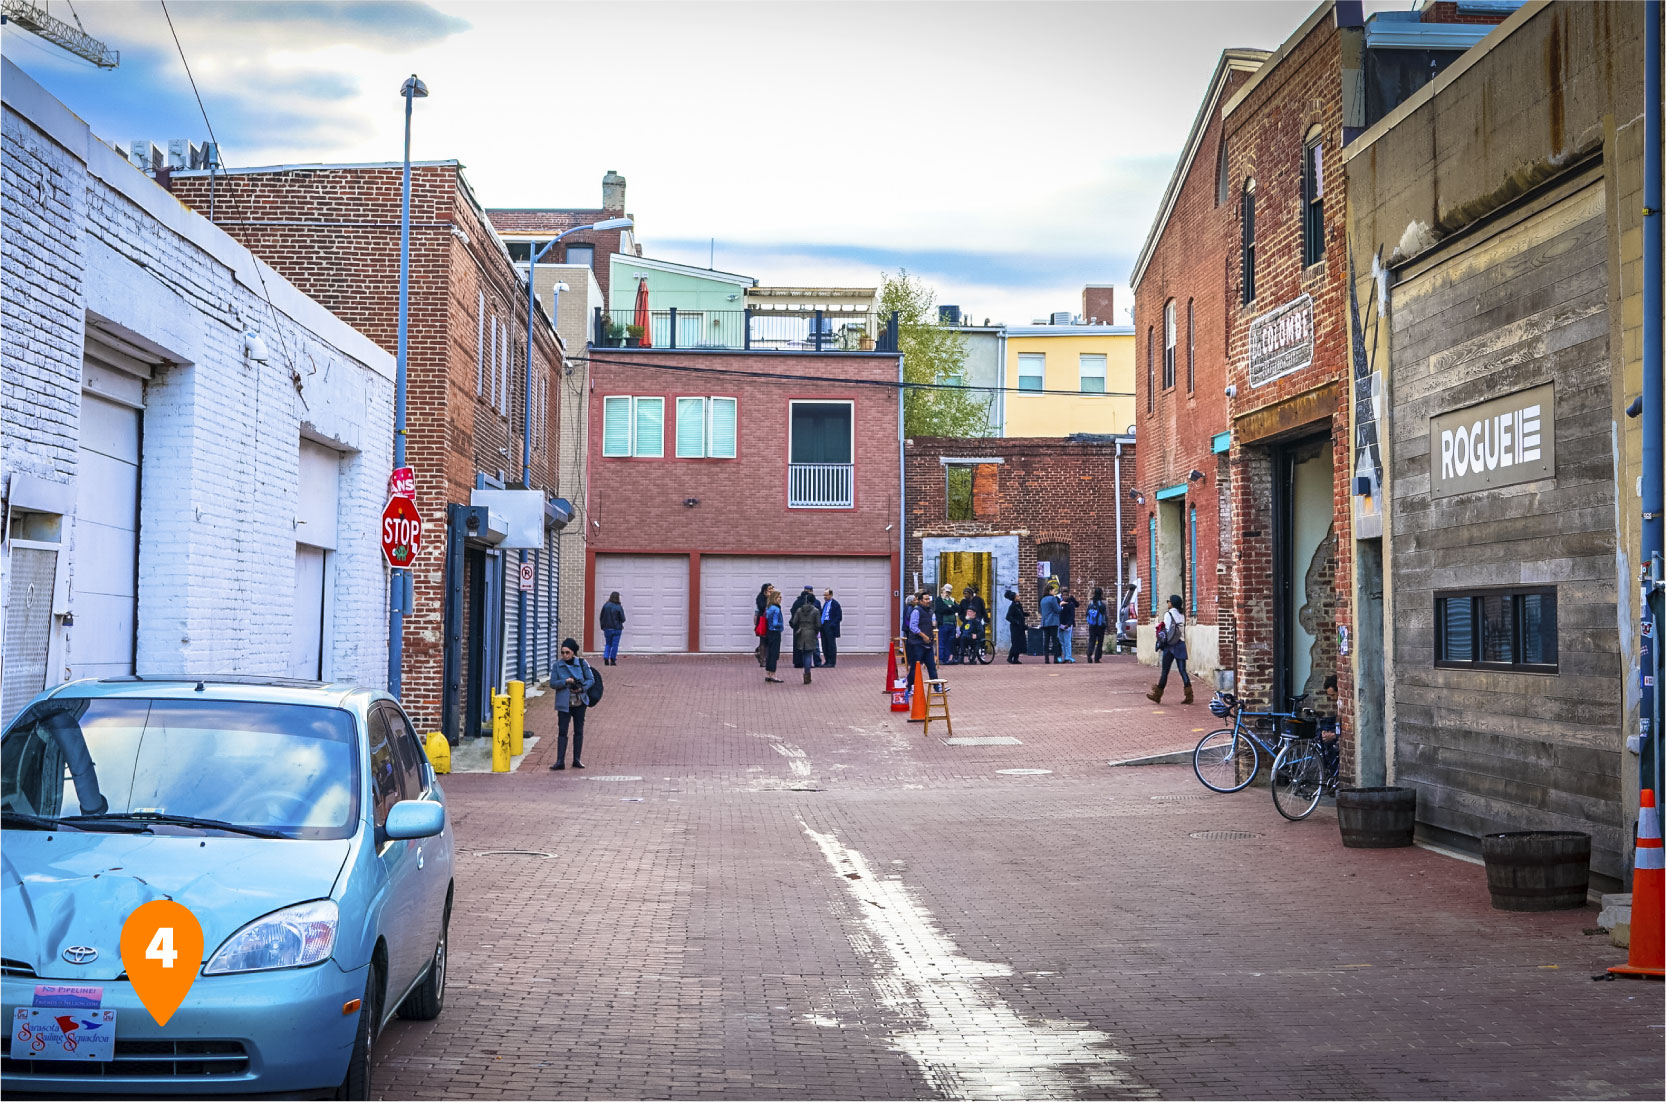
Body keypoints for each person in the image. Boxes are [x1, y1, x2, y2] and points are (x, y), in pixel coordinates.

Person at [548, 638, 595, 770]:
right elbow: (552, 683)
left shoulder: (582, 663)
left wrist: (581, 688)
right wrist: (565, 681)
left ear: (573, 652)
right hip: (564, 704)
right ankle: (560, 761)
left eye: (567, 652)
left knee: (578, 730)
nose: (564, 655)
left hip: (580, 702)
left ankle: (577, 759)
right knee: (562, 731)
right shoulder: (557, 666)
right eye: (562, 652)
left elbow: (591, 679)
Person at [1147, 593, 1194, 704]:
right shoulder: (1182, 615)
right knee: (1183, 671)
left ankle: (1157, 695)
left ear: (1172, 603)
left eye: (1169, 601)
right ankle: (1189, 695)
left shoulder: (1168, 615)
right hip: (1180, 644)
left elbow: (1167, 631)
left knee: (1165, 671)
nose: (1168, 602)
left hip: (1170, 646)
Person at [904, 590, 940, 697]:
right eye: (926, 599)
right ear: (920, 601)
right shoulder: (916, 611)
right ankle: (911, 686)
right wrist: (923, 636)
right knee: (915, 666)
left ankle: (936, 686)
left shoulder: (930, 611)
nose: (928, 601)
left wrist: (933, 627)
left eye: (929, 599)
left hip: (928, 643)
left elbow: (932, 623)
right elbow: (913, 626)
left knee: (931, 666)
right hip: (917, 643)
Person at [790, 586, 822, 684]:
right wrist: (816, 631)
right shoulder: (815, 611)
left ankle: (805, 673)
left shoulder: (799, 610)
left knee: (804, 653)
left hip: (801, 633)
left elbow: (793, 622)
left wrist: (798, 627)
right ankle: (807, 675)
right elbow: (818, 624)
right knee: (809, 654)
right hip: (811, 633)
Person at [762, 588, 786, 682]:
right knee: (774, 654)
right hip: (775, 632)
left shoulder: (769, 608)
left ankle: (768, 673)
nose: (781, 599)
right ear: (775, 598)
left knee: (769, 653)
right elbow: (775, 622)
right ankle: (773, 674)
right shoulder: (776, 609)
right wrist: (781, 624)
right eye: (779, 597)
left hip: (769, 632)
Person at [959, 585, 987, 661]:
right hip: (967, 621)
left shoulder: (978, 600)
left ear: (971, 594)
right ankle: (961, 655)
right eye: (964, 594)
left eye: (967, 593)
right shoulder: (963, 602)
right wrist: (963, 619)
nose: (965, 595)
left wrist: (985, 619)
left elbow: (983, 610)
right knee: (963, 636)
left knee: (980, 635)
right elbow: (960, 612)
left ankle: (981, 653)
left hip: (977, 621)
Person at [598, 591, 626, 666]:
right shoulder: (618, 607)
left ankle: (606, 657)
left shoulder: (606, 606)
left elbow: (601, 617)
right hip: (617, 628)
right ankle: (613, 659)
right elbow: (623, 619)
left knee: (608, 644)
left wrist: (602, 626)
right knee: (615, 645)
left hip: (607, 628)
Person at [935, 584, 959, 665]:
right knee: (941, 642)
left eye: (949, 592)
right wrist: (950, 608)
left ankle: (946, 659)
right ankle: (941, 659)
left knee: (949, 642)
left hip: (952, 624)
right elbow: (941, 609)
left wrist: (949, 607)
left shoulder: (952, 599)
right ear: (943, 591)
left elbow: (957, 608)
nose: (948, 593)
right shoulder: (939, 600)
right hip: (943, 624)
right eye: (946, 591)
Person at [1038, 583, 1063, 663]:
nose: (1054, 592)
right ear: (1050, 591)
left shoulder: (1042, 599)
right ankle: (1055, 658)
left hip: (1045, 622)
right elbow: (1057, 610)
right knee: (1054, 640)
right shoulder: (1052, 599)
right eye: (1053, 590)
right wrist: (1061, 605)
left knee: (1046, 641)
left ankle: (1046, 659)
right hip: (1053, 621)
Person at [820, 588, 843, 668]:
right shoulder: (825, 604)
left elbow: (839, 616)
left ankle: (831, 661)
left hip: (830, 626)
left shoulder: (835, 604)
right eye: (824, 595)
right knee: (824, 644)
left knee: (831, 644)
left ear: (831, 595)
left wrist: (832, 624)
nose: (825, 597)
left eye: (826, 595)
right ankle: (827, 660)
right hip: (823, 625)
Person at [1085, 587, 1109, 662]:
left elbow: (1086, 614)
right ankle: (1097, 658)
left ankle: (1089, 653)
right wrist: (1107, 625)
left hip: (1092, 625)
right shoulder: (1102, 604)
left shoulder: (1091, 604)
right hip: (1100, 625)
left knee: (1092, 640)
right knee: (1100, 642)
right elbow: (1105, 616)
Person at [1004, 589, 1027, 664]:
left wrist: (1026, 614)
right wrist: (1016, 622)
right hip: (1015, 628)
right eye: (1017, 596)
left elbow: (1021, 613)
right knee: (1015, 643)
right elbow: (1008, 617)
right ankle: (1010, 657)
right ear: (1014, 598)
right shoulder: (1012, 606)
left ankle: (1016, 658)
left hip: (1020, 627)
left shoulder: (1018, 605)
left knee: (1019, 643)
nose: (1019, 597)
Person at [755, 582, 773, 668]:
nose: (771, 590)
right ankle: (762, 659)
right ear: (765, 590)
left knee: (768, 641)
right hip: (763, 620)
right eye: (770, 589)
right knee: (763, 640)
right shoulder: (761, 598)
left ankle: (760, 652)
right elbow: (762, 608)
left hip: (770, 621)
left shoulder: (773, 597)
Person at [1058, 591, 1079, 663]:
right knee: (1062, 642)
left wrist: (1069, 624)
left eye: (1066, 595)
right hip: (1060, 624)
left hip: (1067, 625)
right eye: (1063, 595)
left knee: (1067, 642)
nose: (1065, 597)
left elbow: (1072, 615)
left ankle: (1068, 656)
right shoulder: (1060, 604)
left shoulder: (1071, 604)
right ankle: (1065, 656)